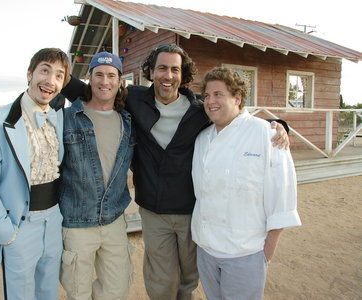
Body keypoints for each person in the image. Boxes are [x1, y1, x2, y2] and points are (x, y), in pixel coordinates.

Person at [60, 44, 289, 299]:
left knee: (188, 277)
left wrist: (275, 125)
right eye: (161, 68)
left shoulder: (199, 108)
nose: (167, 75)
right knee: (161, 280)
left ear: (183, 74)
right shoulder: (133, 99)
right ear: (152, 71)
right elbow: (93, 91)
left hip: (190, 210)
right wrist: (59, 75)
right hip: (154, 208)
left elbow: (231, 114)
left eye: (174, 69)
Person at [191, 67, 301, 299]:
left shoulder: (266, 134)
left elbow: (282, 196)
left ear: (238, 98)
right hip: (206, 249)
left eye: (218, 94)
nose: (210, 101)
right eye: (207, 96)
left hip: (245, 252)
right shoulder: (202, 139)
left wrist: (265, 254)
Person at [0, 48, 70, 299]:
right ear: (29, 74)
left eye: (59, 76)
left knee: (48, 292)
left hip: (54, 220)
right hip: (19, 226)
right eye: (44, 70)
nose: (50, 81)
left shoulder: (58, 117)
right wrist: (6, 232)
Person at [59, 52, 135, 300]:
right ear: (89, 78)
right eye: (99, 75)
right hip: (77, 222)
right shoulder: (67, 118)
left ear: (120, 81)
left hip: (114, 219)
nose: (105, 81)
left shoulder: (127, 121)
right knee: (78, 293)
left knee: (116, 290)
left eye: (111, 75)